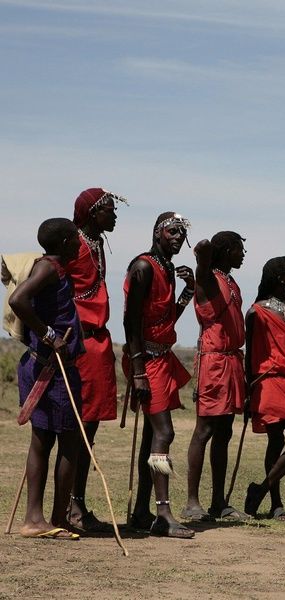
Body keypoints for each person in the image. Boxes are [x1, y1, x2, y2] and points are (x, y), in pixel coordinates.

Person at [10, 218, 82, 539]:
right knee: (61, 442)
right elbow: (17, 300)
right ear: (66, 242)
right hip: (49, 369)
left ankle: (48, 517)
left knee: (52, 440)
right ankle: (42, 518)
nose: (80, 242)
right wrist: (49, 334)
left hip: (50, 367)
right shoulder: (49, 269)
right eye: (76, 237)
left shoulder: (54, 268)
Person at [123, 212, 195, 538]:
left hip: (161, 358)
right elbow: (131, 323)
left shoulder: (167, 269)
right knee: (164, 434)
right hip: (146, 362)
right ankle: (162, 513)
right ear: (157, 232)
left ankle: (141, 510)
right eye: (173, 231)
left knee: (153, 439)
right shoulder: (143, 267)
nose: (178, 237)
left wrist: (188, 292)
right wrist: (138, 372)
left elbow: (166, 320)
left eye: (182, 233)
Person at [65, 188, 125, 534]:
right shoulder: (71, 242)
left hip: (98, 341)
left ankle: (78, 503)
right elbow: (45, 270)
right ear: (91, 213)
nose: (114, 216)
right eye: (109, 211)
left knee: (90, 429)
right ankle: (70, 507)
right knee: (76, 429)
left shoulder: (97, 244)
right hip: (78, 343)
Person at [182, 233, 249, 522]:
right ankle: (192, 502)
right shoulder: (208, 279)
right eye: (240, 249)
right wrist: (204, 253)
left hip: (232, 360)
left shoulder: (230, 281)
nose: (244, 254)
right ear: (227, 250)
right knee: (205, 430)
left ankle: (219, 501)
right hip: (214, 362)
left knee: (225, 432)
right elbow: (203, 257)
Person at [243, 257, 285, 520]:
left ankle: (260, 489)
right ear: (281, 278)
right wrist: (248, 391)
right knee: (276, 441)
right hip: (268, 381)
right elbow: (250, 355)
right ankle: (276, 504)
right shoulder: (256, 312)